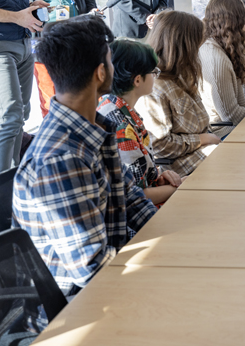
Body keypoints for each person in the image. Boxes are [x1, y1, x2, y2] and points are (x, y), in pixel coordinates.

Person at [12, 15, 156, 298]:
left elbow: (135, 205)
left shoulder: (94, 130)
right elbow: (92, 270)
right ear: (101, 72)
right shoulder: (61, 158)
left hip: (111, 278)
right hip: (79, 305)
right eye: (111, 61)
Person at [25, 0, 100, 117]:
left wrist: (92, 12)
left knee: (84, 90)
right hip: (45, 40)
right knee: (51, 95)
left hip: (77, 35)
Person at [97, 40, 184, 206]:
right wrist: (180, 186)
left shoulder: (113, 105)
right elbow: (138, 196)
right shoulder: (120, 126)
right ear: (137, 80)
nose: (155, 76)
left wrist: (158, 178)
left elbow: (139, 178)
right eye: (153, 72)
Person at [136, 10, 220, 176]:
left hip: (204, 151)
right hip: (179, 167)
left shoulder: (181, 75)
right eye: (197, 44)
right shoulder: (154, 88)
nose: (199, 50)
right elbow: (159, 145)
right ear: (184, 46)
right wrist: (202, 139)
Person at [0, 0, 47, 173]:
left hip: (23, 44)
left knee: (23, 115)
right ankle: (4, 190)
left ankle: (17, 179)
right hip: (1, 47)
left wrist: (29, 6)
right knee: (10, 115)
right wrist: (18, 17)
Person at [199, 0, 245, 134]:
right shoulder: (215, 59)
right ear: (233, 22)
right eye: (243, 18)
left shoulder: (227, 47)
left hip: (238, 126)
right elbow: (230, 115)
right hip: (224, 133)